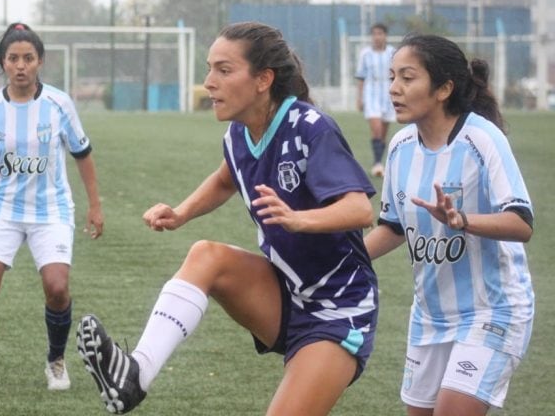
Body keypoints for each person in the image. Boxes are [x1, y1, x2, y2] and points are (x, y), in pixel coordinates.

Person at [75, 21, 379, 415]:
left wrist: (298, 218)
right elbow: (225, 179)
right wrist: (181, 212)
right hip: (286, 293)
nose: (209, 82)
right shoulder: (238, 135)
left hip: (338, 310)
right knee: (207, 255)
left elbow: (360, 209)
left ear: (262, 80)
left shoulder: (309, 127)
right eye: (209, 69)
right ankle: (135, 375)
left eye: (224, 69)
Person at [364, 34, 534, 416]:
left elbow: (522, 223)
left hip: (492, 311)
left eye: (407, 78)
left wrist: (464, 220)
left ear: (443, 88)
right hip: (429, 316)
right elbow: (392, 226)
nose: (394, 88)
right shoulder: (401, 146)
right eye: (392, 77)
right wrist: (344, 258)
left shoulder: (483, 139)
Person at [0, 22, 104, 396]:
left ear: (40, 62)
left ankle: (56, 361)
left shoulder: (59, 104)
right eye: (13, 58)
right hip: (3, 208)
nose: (21, 65)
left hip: (52, 210)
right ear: (3, 63)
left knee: (57, 288)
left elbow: (83, 154)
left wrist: (95, 206)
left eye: (28, 58)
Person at [356, 22, 396, 177]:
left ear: (385, 35)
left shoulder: (393, 52)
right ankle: (378, 164)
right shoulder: (365, 54)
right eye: (374, 34)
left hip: (388, 94)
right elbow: (360, 77)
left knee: (383, 132)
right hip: (371, 94)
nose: (377, 37)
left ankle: (378, 161)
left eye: (380, 33)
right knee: (376, 128)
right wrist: (359, 98)